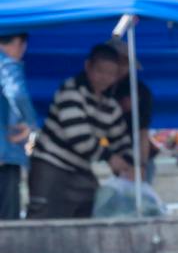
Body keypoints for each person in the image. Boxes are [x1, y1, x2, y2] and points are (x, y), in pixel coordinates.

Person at [28, 41, 130, 219]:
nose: (105, 78)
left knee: (85, 218)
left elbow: (121, 139)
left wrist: (130, 162)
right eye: (101, 71)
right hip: (51, 166)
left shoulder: (111, 106)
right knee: (42, 219)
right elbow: (80, 140)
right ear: (88, 67)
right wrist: (110, 158)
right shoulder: (71, 91)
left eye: (111, 74)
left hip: (81, 171)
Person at [0, 25, 38, 222]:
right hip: (4, 156)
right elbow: (16, 92)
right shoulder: (6, 64)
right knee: (6, 225)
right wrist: (30, 122)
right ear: (18, 43)